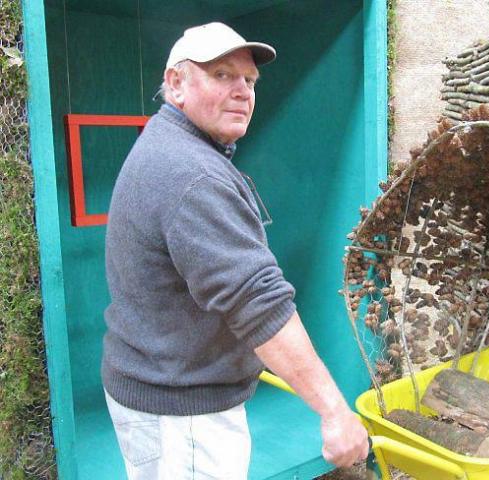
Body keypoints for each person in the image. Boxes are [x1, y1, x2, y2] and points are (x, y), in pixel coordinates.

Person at [101, 21, 369, 479]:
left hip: (149, 384)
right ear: (176, 83)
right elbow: (258, 304)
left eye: (249, 80)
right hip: (183, 414)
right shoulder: (193, 175)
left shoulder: (167, 145)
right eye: (222, 74)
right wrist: (335, 413)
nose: (243, 91)